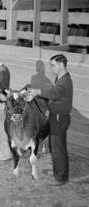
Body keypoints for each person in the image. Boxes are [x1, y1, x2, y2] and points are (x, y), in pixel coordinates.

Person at [28, 54, 73, 185]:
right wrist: (49, 109)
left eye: (53, 65)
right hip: (56, 116)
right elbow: (55, 97)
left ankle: (61, 178)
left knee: (58, 149)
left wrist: (38, 92)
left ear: (61, 65)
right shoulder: (60, 78)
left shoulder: (64, 81)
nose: (51, 68)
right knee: (56, 147)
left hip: (59, 119)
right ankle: (58, 172)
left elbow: (54, 94)